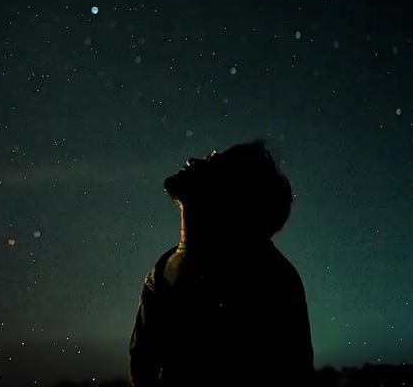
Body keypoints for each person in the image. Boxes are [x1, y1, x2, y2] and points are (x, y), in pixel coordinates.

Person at [127, 139, 314, 386]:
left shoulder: (266, 276)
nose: (192, 161)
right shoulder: (163, 270)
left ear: (233, 193)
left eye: (213, 162)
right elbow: (142, 371)